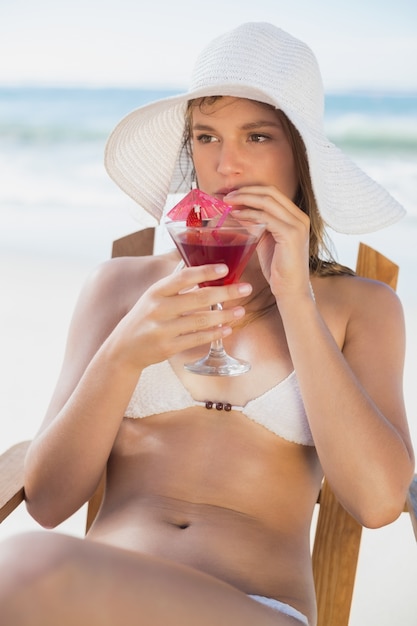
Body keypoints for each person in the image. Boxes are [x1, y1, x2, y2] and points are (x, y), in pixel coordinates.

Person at [0, 22, 414, 626]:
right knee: (31, 567)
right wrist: (122, 355)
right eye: (206, 136)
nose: (227, 164)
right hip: (97, 600)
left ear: (300, 154)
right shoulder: (119, 289)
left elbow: (378, 501)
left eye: (256, 135)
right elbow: (51, 501)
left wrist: (297, 299)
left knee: (25, 570)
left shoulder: (363, 309)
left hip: (252, 608)